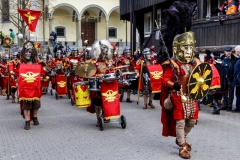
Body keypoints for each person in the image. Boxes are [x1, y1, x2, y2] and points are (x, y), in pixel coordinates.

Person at [162, 31, 200, 159]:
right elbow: (164, 80)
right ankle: (183, 146)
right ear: (177, 48)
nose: (189, 51)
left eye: (190, 47)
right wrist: (173, 85)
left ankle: (180, 138)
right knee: (181, 122)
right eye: (185, 48)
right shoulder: (172, 64)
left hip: (191, 96)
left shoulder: (196, 63)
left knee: (192, 120)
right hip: (178, 96)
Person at [17, 41, 44, 130]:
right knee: (26, 106)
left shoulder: (38, 64)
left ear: (33, 53)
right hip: (25, 89)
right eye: (26, 52)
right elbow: (17, 74)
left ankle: (35, 118)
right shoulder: (20, 64)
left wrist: (44, 75)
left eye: (30, 51)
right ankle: (27, 122)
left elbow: (44, 73)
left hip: (35, 88)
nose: (28, 53)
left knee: (36, 105)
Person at [220, 46, 236, 111]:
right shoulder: (221, 58)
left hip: (230, 77)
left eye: (229, 51)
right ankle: (225, 105)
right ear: (224, 52)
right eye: (227, 51)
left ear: (231, 52)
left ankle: (229, 106)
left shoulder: (234, 59)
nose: (228, 53)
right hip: (223, 78)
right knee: (224, 92)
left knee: (231, 93)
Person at [232, 45, 240, 112]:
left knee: (238, 94)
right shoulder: (238, 59)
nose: (235, 52)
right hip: (237, 80)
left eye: (235, 51)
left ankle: (238, 107)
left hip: (239, 81)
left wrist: (238, 78)